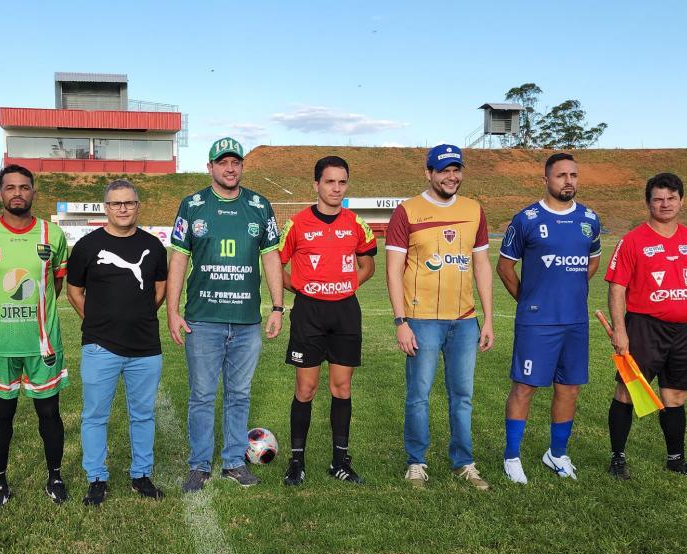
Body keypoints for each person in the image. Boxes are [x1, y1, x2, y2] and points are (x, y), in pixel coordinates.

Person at [167, 137, 284, 492]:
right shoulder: (193, 206)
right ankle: (199, 465)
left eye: (235, 162)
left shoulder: (259, 206)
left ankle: (234, 462)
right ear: (210, 167)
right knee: (202, 394)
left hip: (246, 322)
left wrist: (277, 306)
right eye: (222, 162)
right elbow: (178, 259)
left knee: (239, 393)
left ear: (242, 166)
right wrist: (172, 311)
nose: (230, 168)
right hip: (203, 320)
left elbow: (270, 257)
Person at [385, 144, 494, 491]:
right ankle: (416, 462)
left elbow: (480, 265)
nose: (451, 176)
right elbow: (393, 269)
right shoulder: (407, 211)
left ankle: (464, 462)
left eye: (456, 169)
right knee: (418, 394)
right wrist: (401, 321)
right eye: (444, 170)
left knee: (462, 395)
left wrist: (488, 318)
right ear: (429, 173)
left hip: (464, 321)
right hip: (421, 320)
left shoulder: (474, 210)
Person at [604, 172, 687, 481]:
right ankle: (617, 458)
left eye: (671, 198)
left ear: (681, 201)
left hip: (683, 330)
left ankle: (675, 460)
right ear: (648, 203)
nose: (665, 204)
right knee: (628, 392)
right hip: (643, 327)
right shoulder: (632, 240)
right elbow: (616, 288)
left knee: (676, 398)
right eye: (658, 198)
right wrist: (620, 330)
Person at [0, 164, 70, 507]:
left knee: (49, 414)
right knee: (1, 415)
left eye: (24, 187)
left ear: (33, 193)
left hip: (43, 342)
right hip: (2, 343)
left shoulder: (51, 235)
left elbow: (56, 285)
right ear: (0, 193)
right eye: (10, 187)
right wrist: (3, 315)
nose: (17, 193)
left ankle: (54, 475)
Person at [496, 153, 602, 484]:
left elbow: (593, 260)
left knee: (569, 389)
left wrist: (570, 291)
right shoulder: (526, 219)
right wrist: (529, 300)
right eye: (561, 175)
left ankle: (556, 454)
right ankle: (512, 457)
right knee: (525, 387)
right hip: (537, 322)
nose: (568, 181)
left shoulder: (589, 218)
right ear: (546, 180)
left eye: (573, 175)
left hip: (574, 321)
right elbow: (505, 267)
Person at [67, 179, 168, 506]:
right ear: (106, 208)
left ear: (138, 206)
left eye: (128, 203)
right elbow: (74, 291)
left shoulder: (154, 247)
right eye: (115, 203)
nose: (122, 208)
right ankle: (97, 478)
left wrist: (138, 315)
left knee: (142, 415)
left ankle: (141, 475)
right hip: (100, 347)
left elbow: (160, 289)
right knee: (95, 416)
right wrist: (98, 322)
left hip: (145, 348)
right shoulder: (86, 247)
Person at [278, 156, 377, 486]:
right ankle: (296, 462)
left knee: (342, 386)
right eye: (330, 181)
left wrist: (349, 284)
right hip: (309, 313)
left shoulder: (356, 224)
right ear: (316, 184)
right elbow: (275, 265)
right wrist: (302, 288)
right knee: (306, 389)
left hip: (345, 312)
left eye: (342, 182)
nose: (336, 188)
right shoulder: (297, 223)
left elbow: (367, 266)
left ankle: (340, 462)